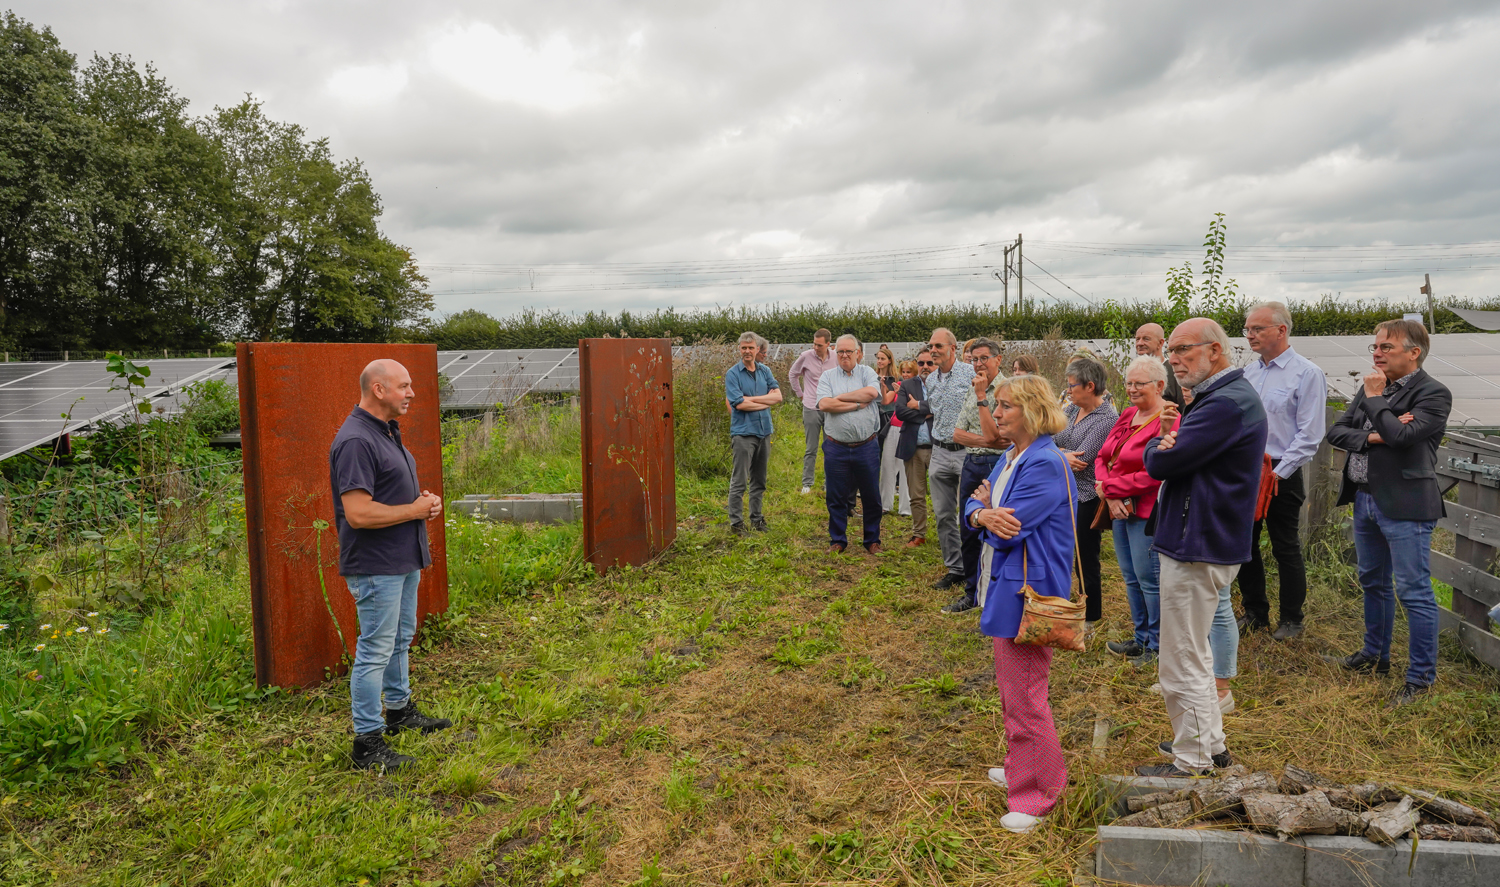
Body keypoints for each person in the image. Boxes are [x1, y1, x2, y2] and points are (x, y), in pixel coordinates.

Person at [1134, 318, 1267, 778]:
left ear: (1215, 350)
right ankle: (1211, 746)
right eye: (1171, 351)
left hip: (1198, 542)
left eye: (1183, 350)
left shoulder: (1224, 404)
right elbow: (1172, 456)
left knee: (1181, 657)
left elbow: (1163, 462)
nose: (1173, 359)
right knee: (1196, 651)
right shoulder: (1222, 398)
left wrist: (1162, 443)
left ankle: (1191, 762)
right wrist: (1168, 444)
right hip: (1203, 537)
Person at [964, 374, 1074, 834]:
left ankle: (1038, 796)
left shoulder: (1044, 463)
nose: (999, 413)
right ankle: (1019, 768)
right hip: (1007, 582)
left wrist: (986, 516)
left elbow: (1011, 529)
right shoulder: (1012, 456)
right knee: (1013, 689)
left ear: (1031, 410)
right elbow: (973, 506)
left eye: (1007, 405)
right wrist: (981, 512)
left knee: (1026, 694)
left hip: (1029, 589)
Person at [330, 359, 451, 772]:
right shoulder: (356, 441)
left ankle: (399, 712)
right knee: (375, 650)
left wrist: (423, 506)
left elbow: (391, 497)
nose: (411, 392)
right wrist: (412, 509)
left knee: (400, 638)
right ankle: (367, 742)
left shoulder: (384, 432)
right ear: (378, 389)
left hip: (401, 558)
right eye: (404, 385)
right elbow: (359, 513)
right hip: (376, 564)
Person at [1327, 319, 1451, 707]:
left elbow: (1404, 438)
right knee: (1372, 581)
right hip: (1365, 498)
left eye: (1386, 347)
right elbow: (1337, 432)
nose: (1377, 353)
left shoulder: (1433, 393)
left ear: (1413, 353)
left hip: (1406, 504)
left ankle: (1420, 679)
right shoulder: (1371, 387)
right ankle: (1374, 656)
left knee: (1413, 591)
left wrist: (1377, 402)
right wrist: (1379, 432)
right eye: (1375, 347)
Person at [1238, 302, 1326, 640]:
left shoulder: (1306, 373)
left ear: (1281, 330)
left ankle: (1291, 620)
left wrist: (1279, 472)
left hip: (1280, 472)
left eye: (1258, 329)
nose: (1250, 335)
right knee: (1244, 543)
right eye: (1248, 329)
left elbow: (1310, 434)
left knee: (1284, 545)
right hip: (1248, 470)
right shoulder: (1249, 373)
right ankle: (1255, 612)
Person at [1097, 356, 1178, 666]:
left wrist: (1112, 490)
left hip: (1146, 512)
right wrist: (1108, 492)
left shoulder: (1170, 420)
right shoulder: (1128, 414)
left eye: (1138, 383)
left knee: (1149, 580)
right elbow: (1103, 457)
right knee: (1130, 577)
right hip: (1120, 508)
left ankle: (1157, 647)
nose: (1131, 389)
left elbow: (1156, 472)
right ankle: (1140, 637)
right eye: (1128, 383)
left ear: (1159, 386)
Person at [1053, 357, 1118, 631]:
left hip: (1085, 497)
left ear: (1090, 386)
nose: (1068, 391)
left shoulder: (1107, 419)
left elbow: (1084, 459)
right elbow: (1046, 438)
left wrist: (1056, 454)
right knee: (1059, 553)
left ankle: (1091, 618)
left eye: (1072, 386)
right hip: (1061, 494)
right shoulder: (1070, 410)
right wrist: (1060, 455)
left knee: (1085, 558)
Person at [944, 337, 1008, 614]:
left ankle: (998, 591)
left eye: (983, 358)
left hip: (998, 465)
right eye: (973, 359)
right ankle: (972, 592)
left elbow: (1000, 437)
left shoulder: (1008, 389)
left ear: (998, 359)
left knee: (998, 527)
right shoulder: (973, 387)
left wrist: (984, 400)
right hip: (972, 462)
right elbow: (957, 433)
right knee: (968, 526)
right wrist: (986, 440)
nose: (978, 363)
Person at [909, 328, 976, 588]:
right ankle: (955, 568)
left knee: (969, 513)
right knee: (943, 514)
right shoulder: (931, 380)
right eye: (931, 346)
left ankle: (974, 567)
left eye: (938, 346)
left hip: (964, 453)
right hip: (938, 452)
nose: (933, 350)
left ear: (953, 347)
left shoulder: (970, 374)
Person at [817, 334, 884, 554]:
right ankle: (838, 540)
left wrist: (840, 398)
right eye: (841, 351)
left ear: (859, 353)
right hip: (836, 446)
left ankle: (872, 540)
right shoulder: (827, 376)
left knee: (871, 495)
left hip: (866, 445)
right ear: (835, 352)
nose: (844, 355)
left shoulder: (868, 372)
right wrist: (856, 404)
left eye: (849, 351)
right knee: (836, 496)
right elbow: (825, 404)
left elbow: (872, 392)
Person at [725, 331, 783, 534]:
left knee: (759, 480)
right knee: (739, 480)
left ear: (758, 349)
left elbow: (778, 397)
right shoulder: (733, 374)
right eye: (744, 347)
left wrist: (751, 400)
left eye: (751, 347)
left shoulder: (765, 371)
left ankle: (757, 520)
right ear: (739, 349)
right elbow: (738, 405)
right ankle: (736, 524)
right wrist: (763, 400)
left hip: (764, 431)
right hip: (743, 434)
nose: (747, 351)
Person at [895, 350, 936, 547]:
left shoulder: (943, 384)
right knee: (916, 494)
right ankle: (919, 533)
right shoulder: (907, 384)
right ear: (916, 364)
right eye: (921, 363)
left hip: (939, 448)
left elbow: (946, 408)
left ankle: (948, 534)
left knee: (944, 496)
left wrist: (917, 405)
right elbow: (901, 411)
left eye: (930, 362)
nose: (925, 366)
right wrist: (927, 413)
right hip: (914, 447)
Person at [789, 329, 837, 494]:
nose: (815, 347)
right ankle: (807, 484)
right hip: (811, 407)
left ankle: (829, 482)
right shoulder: (805, 356)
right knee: (811, 447)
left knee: (830, 447)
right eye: (814, 344)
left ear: (828, 345)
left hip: (830, 408)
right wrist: (800, 395)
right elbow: (793, 374)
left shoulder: (836, 358)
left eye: (819, 345)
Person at [875, 345, 910, 518]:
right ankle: (885, 504)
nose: (905, 375)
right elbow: (885, 400)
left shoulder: (915, 387)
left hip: (908, 429)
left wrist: (902, 392)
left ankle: (905, 507)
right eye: (904, 371)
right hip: (893, 427)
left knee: (905, 468)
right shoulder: (899, 385)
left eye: (909, 372)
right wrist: (883, 386)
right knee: (887, 465)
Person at [1134, 323, 1184, 408]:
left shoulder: (1175, 371)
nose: (1140, 343)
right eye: (1137, 339)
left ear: (1160, 343)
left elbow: (1185, 409)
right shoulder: (1135, 371)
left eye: (1146, 339)